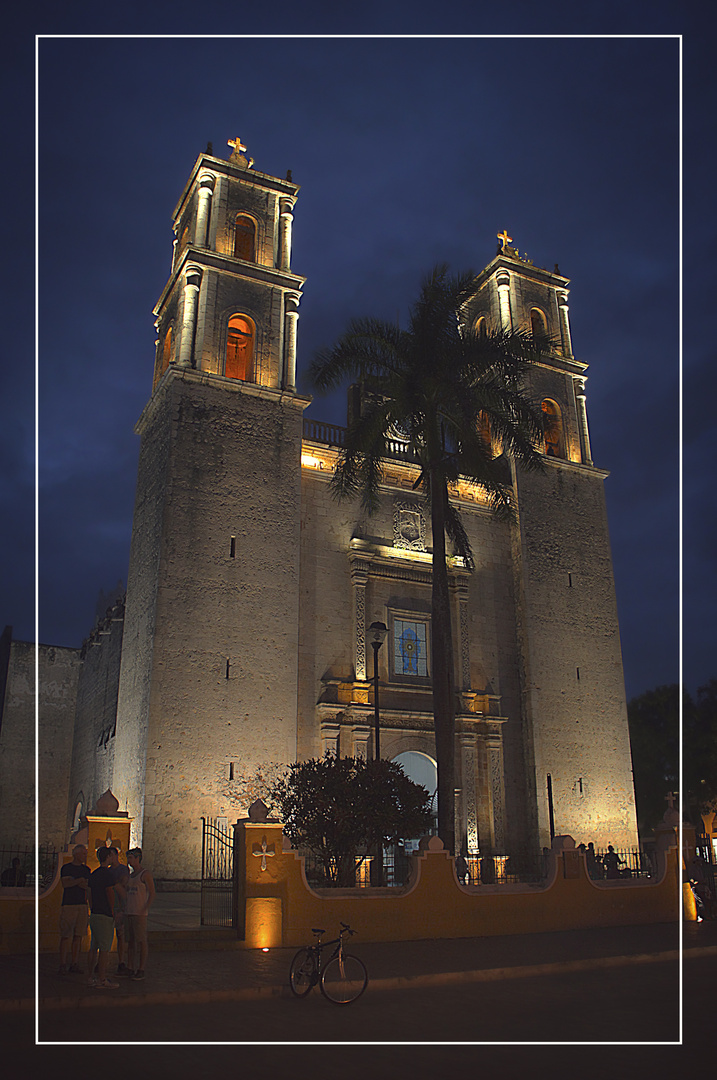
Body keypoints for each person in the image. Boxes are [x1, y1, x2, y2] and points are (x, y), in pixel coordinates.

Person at [87, 847, 119, 989]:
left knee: (93, 947)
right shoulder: (108, 874)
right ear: (108, 858)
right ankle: (101, 978)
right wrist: (112, 910)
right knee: (104, 949)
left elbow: (89, 894)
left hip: (94, 913)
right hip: (105, 914)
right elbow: (110, 892)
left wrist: (92, 907)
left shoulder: (93, 874)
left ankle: (89, 977)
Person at [59, 844, 90, 974]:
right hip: (69, 904)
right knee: (66, 935)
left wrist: (75, 881)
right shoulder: (66, 868)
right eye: (83, 853)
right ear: (76, 854)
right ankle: (62, 964)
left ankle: (74, 963)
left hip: (82, 904)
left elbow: (87, 886)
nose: (85, 856)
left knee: (78, 935)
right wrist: (79, 881)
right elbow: (66, 884)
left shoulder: (86, 870)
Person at [126, 847, 155, 981]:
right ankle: (130, 967)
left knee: (141, 941)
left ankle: (141, 968)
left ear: (138, 858)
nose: (129, 860)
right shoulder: (131, 875)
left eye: (131, 857)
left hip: (139, 913)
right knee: (131, 942)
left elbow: (152, 892)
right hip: (129, 912)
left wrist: (145, 907)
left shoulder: (145, 874)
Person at [106, 846, 131, 976]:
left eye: (111, 855)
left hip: (120, 907)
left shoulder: (123, 869)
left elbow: (124, 883)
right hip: (109, 906)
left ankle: (121, 962)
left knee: (121, 935)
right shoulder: (108, 871)